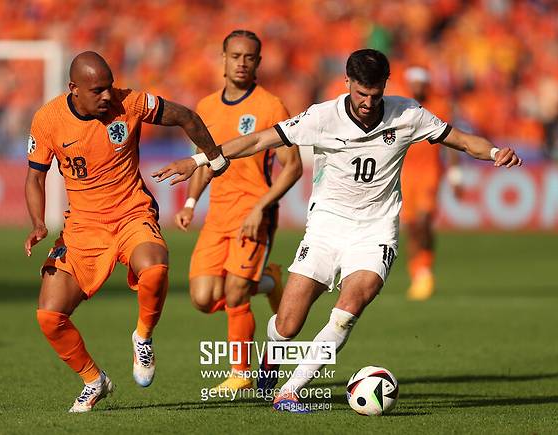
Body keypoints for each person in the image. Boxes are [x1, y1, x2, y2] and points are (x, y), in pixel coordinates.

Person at [153, 49, 522, 413]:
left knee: (348, 308)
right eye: (361, 93)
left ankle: (290, 391)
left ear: (384, 88)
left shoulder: (407, 113)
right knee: (287, 324)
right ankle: (271, 356)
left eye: (375, 95)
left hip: (375, 231)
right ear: (347, 83)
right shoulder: (322, 117)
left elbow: (461, 140)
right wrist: (200, 159)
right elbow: (258, 140)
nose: (367, 102)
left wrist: (493, 154)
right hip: (326, 228)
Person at [24, 51, 227, 413]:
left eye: (110, 87)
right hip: (83, 229)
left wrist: (214, 156)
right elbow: (35, 177)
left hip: (131, 213)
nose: (107, 96)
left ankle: (143, 337)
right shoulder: (48, 119)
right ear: (74, 89)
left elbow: (187, 116)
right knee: (49, 317)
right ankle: (93, 380)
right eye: (98, 90)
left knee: (156, 267)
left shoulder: (130, 102)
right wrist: (39, 223)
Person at [173, 30, 302, 393]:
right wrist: (190, 202)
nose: (242, 63)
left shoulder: (271, 106)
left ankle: (242, 371)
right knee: (202, 298)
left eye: (249, 57)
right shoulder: (207, 107)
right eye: (235, 56)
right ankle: (271, 280)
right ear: (223, 58)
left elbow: (291, 166)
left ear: (258, 63)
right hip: (217, 215)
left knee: (233, 293)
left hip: (253, 213)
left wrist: (262, 206)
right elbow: (204, 161)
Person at [400, 66, 462, 300]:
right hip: (405, 172)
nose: (417, 87)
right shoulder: (400, 108)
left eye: (420, 83)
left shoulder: (439, 107)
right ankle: (417, 273)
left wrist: (456, 174)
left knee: (425, 220)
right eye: (413, 83)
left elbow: (452, 140)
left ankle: (425, 269)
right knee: (412, 226)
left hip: (429, 171)